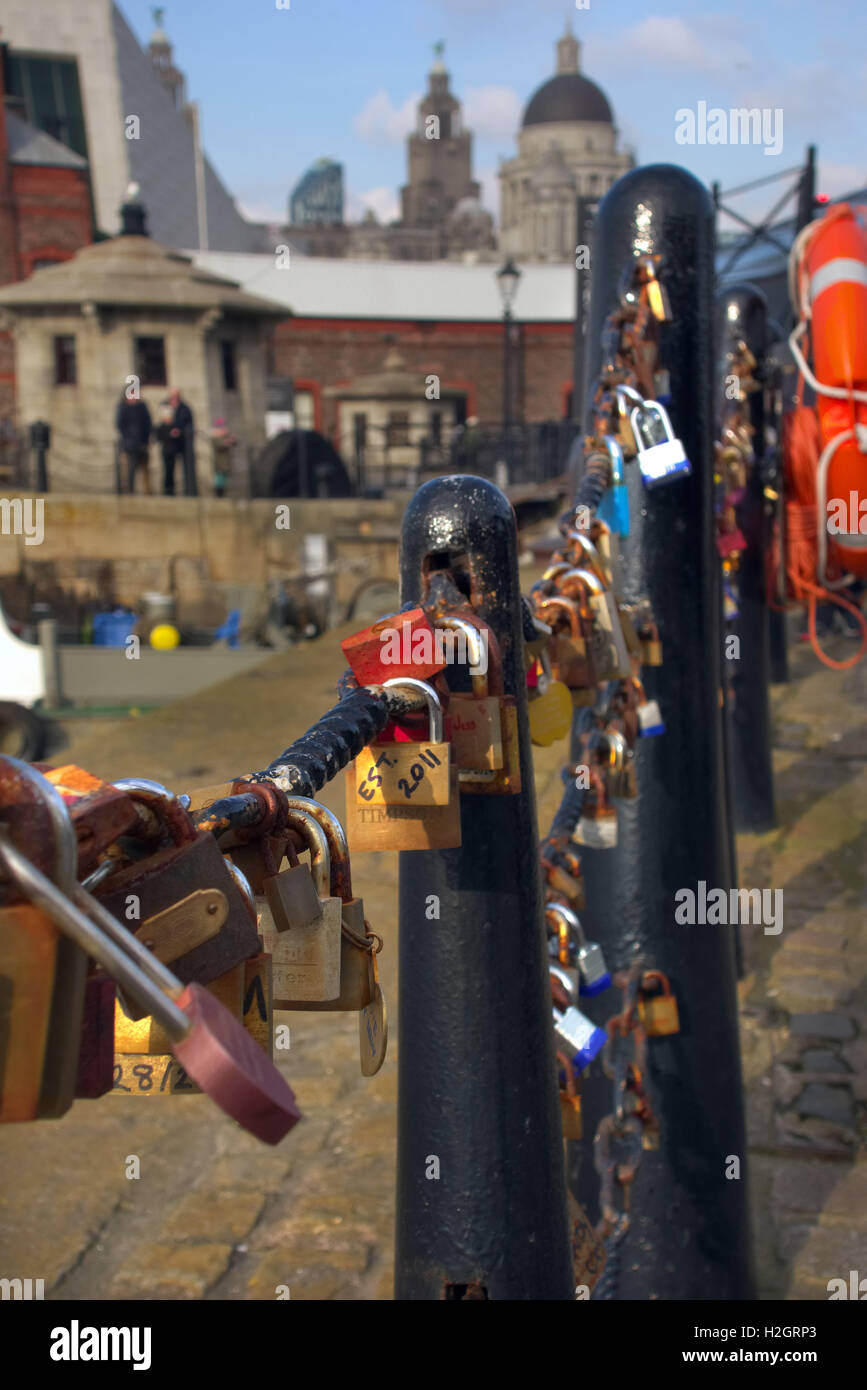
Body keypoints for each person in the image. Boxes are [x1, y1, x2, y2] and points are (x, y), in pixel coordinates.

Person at [115, 391, 152, 494]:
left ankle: (146, 492)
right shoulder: (123, 407)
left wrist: (145, 440)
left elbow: (148, 424)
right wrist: (128, 438)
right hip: (128, 445)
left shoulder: (142, 407)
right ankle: (128, 491)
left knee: (144, 470)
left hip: (141, 444)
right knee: (127, 470)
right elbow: (120, 425)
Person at [158, 388, 194, 496]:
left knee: (187, 468)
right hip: (169, 444)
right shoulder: (165, 406)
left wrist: (180, 431)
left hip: (182, 443)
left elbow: (189, 424)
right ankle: (169, 492)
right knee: (169, 469)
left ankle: (189, 491)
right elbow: (162, 424)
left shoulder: (185, 408)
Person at [209, 418, 237, 498]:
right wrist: (228, 441)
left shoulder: (226, 436)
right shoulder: (215, 437)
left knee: (225, 482)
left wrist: (231, 440)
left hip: (226, 463)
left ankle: (223, 496)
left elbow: (235, 442)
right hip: (219, 464)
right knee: (219, 482)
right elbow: (220, 445)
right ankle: (219, 496)